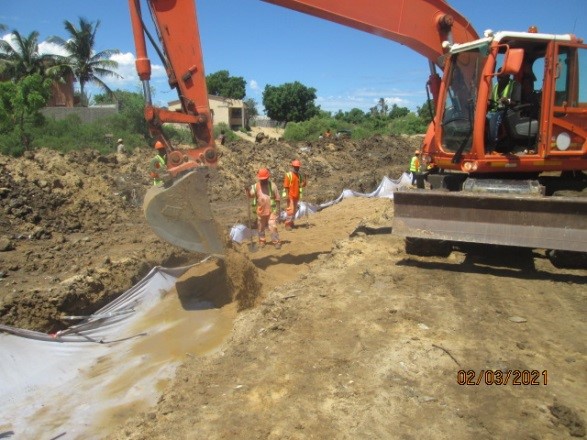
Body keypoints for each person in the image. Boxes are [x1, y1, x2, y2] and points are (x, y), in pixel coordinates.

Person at [246, 168, 282, 249]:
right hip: (260, 211)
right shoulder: (255, 186)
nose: (263, 181)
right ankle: (262, 241)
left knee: (272, 226)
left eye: (265, 179)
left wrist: (278, 212)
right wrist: (247, 190)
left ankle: (276, 241)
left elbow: (278, 199)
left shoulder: (272, 186)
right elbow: (250, 196)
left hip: (271, 211)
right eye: (262, 179)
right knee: (260, 228)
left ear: (268, 178)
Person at [487, 68, 521, 151]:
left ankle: (493, 146)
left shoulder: (515, 85)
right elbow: (492, 102)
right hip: (495, 110)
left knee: (495, 118)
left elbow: (516, 103)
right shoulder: (495, 86)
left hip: (509, 111)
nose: (499, 79)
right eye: (498, 77)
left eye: (501, 77)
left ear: (508, 76)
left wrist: (507, 101)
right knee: (481, 118)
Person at [282, 159, 307, 230]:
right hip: (290, 196)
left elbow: (302, 185)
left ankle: (291, 222)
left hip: (296, 195)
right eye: (296, 167)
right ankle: (287, 224)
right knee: (291, 210)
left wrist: (305, 179)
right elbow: (286, 186)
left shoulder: (299, 176)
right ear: (293, 166)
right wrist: (287, 196)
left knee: (294, 210)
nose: (297, 168)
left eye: (298, 167)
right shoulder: (288, 175)